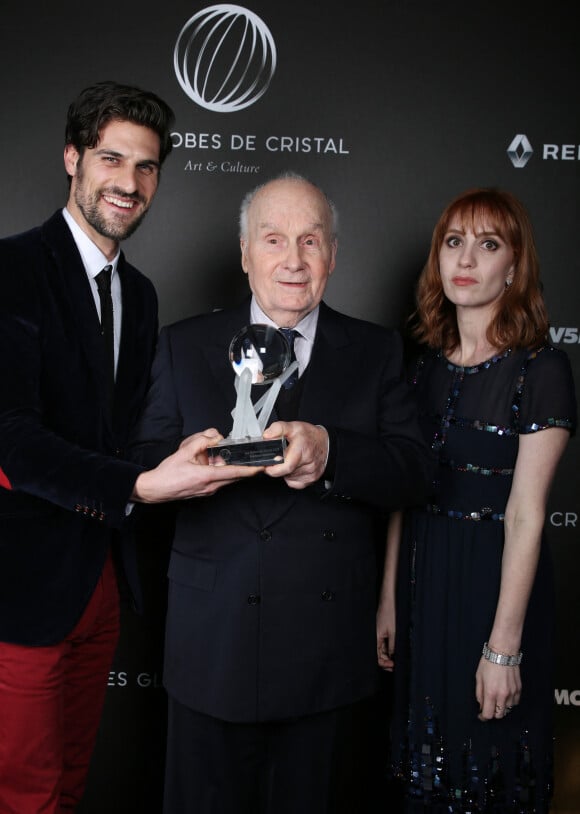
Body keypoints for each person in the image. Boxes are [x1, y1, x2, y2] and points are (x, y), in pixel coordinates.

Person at [129, 170, 434, 814]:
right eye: (272, 240)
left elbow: (415, 471)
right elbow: (138, 465)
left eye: (310, 241)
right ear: (244, 254)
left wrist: (333, 451)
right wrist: (178, 468)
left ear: (332, 255)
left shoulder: (377, 351)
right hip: (210, 643)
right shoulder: (183, 345)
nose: (292, 261)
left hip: (325, 654)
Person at [0, 80, 259, 814]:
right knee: (25, 794)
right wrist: (143, 487)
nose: (129, 182)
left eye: (146, 167)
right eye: (111, 159)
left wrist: (196, 460)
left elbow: (128, 437)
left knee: (71, 783)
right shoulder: (12, 271)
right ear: (72, 158)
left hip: (102, 583)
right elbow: (12, 440)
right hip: (20, 589)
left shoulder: (137, 294)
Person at [376, 187, 577, 813]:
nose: (466, 258)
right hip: (420, 586)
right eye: (454, 243)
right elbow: (401, 496)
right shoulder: (421, 368)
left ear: (514, 266)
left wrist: (503, 647)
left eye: (488, 245)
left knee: (487, 769)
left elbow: (525, 515)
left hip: (493, 592)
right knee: (422, 771)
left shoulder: (541, 370)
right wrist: (387, 598)